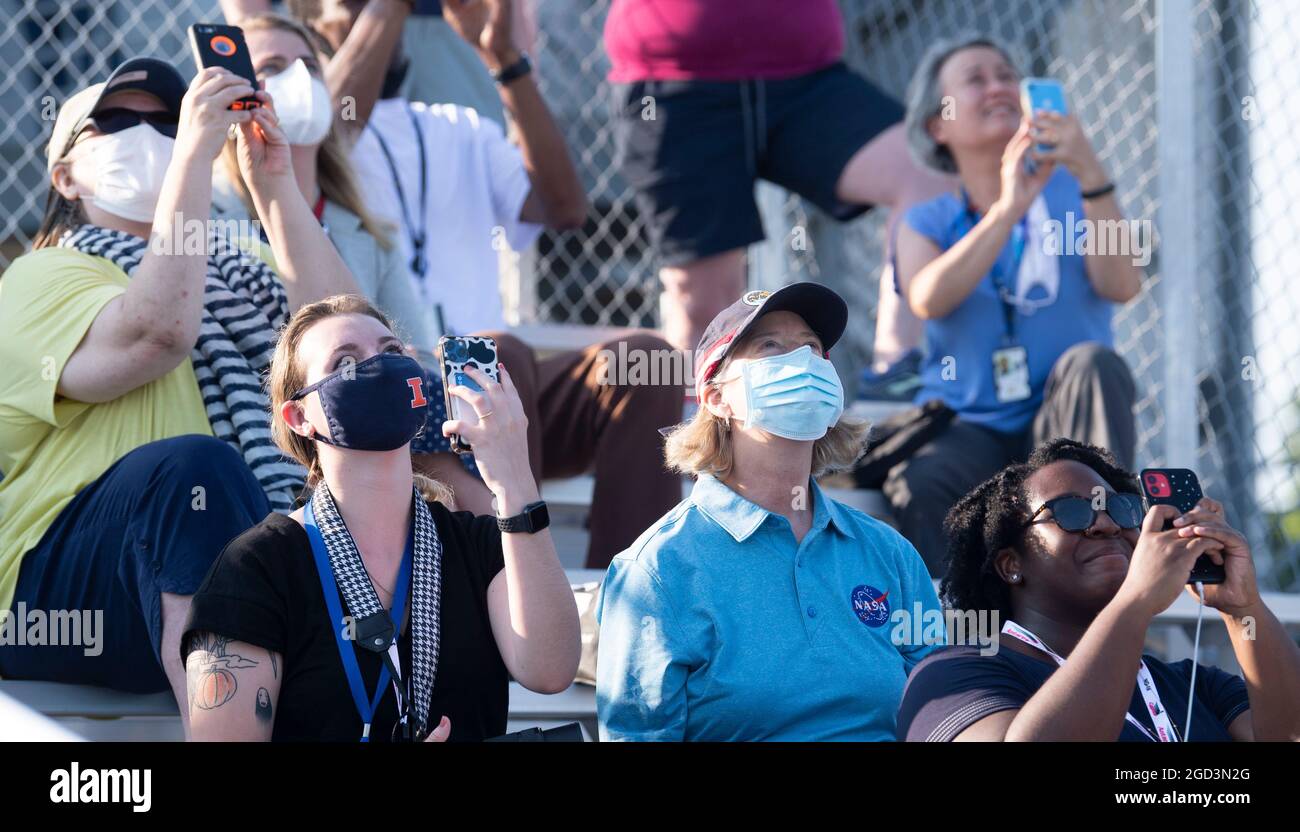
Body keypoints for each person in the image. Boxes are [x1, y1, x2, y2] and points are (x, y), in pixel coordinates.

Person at [0, 56, 356, 734]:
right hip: (58, 598)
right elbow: (154, 334)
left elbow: (345, 353)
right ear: (64, 175)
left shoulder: (241, 268)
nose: (152, 134)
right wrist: (195, 149)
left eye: (166, 119)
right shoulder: (39, 275)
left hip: (232, 556)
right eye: (115, 121)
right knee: (196, 473)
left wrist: (272, 184)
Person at [296, 0, 685, 566]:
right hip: (397, 397)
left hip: (500, 396)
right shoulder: (309, 148)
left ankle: (626, 587)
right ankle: (520, 577)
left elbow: (566, 208)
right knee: (494, 351)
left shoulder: (456, 125)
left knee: (645, 362)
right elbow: (330, 129)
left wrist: (506, 61)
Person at [182, 294, 580, 742]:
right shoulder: (256, 567)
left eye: (391, 352)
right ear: (298, 416)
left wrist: (514, 484)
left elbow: (550, 669)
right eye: (346, 361)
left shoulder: (480, 544)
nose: (379, 366)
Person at [596, 283, 943, 741]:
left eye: (812, 347)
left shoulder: (889, 554)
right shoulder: (658, 569)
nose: (800, 361)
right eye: (770, 346)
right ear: (717, 397)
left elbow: (941, 710)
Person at [214, 10, 495, 510]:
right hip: (280, 424)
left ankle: (506, 559)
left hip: (385, 417)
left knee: (469, 376)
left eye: (309, 65)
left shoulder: (368, 232)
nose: (298, 78)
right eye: (274, 66)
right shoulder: (211, 219)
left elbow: (416, 359)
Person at [884, 34, 1144, 572]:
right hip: (970, 425)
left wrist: (1092, 175)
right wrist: (1007, 209)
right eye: (975, 80)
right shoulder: (927, 220)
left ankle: (1103, 603)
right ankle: (956, 645)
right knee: (923, 477)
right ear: (939, 125)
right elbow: (929, 298)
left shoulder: (1076, 196)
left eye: (1007, 75)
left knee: (1095, 364)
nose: (999, 86)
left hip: (1062, 417)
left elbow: (1123, 284)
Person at [604, 0, 952, 355]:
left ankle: (897, 369)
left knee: (927, 173)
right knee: (705, 305)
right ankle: (711, 406)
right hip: (677, 80)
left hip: (806, 73)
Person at [896, 439, 1300, 741]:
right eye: (1072, 512)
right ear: (1011, 565)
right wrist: (1135, 602)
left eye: (1121, 508)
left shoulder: (1191, 683)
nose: (1106, 525)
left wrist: (1242, 606)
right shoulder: (955, 674)